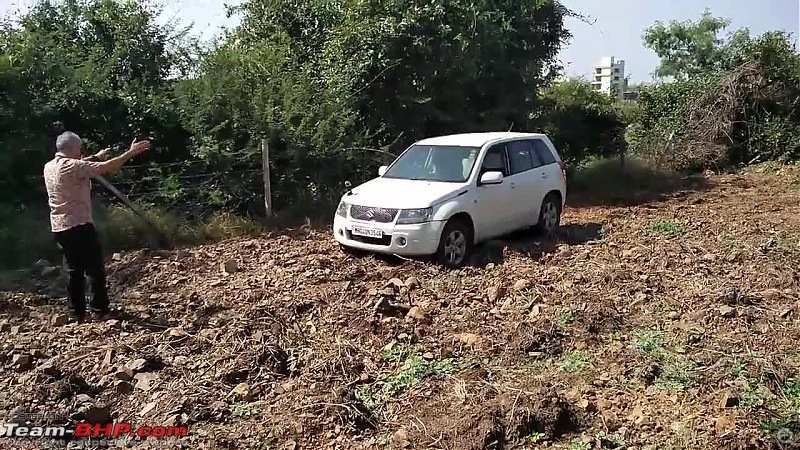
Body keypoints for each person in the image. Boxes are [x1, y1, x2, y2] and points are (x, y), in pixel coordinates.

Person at [43, 131, 150, 323]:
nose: (81, 152)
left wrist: (96, 156)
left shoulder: (49, 166)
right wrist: (129, 153)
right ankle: (99, 310)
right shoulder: (73, 166)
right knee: (95, 269)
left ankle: (76, 313)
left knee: (73, 270)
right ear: (74, 148)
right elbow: (108, 168)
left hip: (59, 226)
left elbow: (83, 165)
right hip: (79, 224)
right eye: (80, 149)